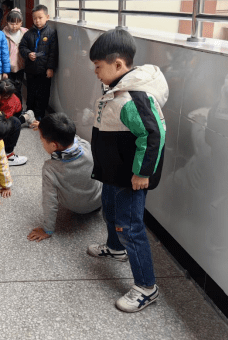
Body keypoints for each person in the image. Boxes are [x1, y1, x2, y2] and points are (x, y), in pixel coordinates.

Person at [87, 29, 168, 313]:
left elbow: (153, 135)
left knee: (130, 227)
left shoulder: (133, 98)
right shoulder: (116, 90)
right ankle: (115, 248)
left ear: (118, 65)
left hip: (129, 177)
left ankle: (147, 287)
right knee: (109, 210)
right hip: (114, 170)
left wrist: (143, 173)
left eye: (98, 67)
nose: (96, 72)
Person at [27, 113, 102, 242]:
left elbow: (49, 201)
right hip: (98, 200)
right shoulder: (86, 145)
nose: (41, 141)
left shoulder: (50, 168)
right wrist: (45, 128)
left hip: (78, 209)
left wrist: (47, 230)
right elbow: (72, 137)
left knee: (52, 191)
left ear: (54, 146)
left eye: (41, 139)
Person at [19, 5, 58, 121]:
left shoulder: (51, 33)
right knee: (31, 92)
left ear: (47, 17)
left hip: (44, 71)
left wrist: (50, 68)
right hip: (31, 69)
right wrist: (27, 53)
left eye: (40, 18)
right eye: (35, 18)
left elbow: (53, 52)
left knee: (43, 94)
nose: (37, 21)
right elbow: (22, 47)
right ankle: (29, 113)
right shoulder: (28, 33)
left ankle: (40, 115)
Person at [3, 8, 29, 106]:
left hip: (20, 66)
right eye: (12, 23)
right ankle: (9, 109)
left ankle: (18, 110)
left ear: (21, 23)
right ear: (7, 23)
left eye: (17, 23)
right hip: (8, 67)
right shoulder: (3, 34)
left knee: (18, 89)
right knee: (9, 90)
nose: (14, 26)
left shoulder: (25, 33)